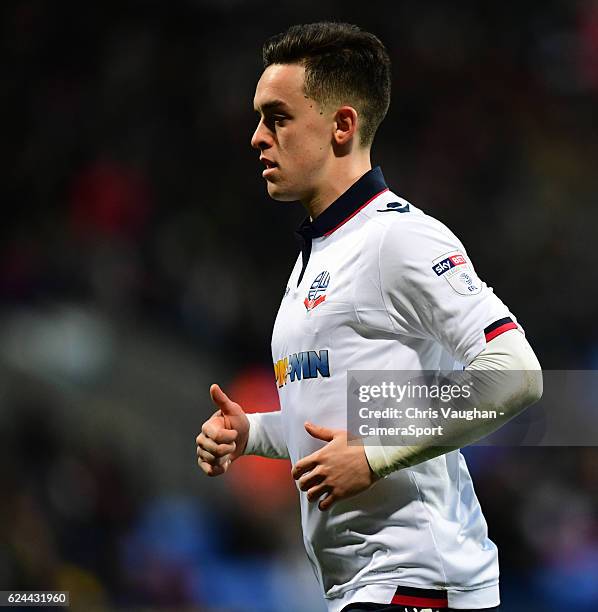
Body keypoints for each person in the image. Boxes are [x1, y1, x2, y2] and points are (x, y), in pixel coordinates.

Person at [196, 22, 542, 612]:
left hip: (419, 581)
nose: (257, 137)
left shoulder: (398, 239)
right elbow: (336, 420)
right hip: (372, 587)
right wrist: (253, 433)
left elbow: (516, 373)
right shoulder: (318, 255)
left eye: (276, 117)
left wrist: (374, 455)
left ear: (342, 126)